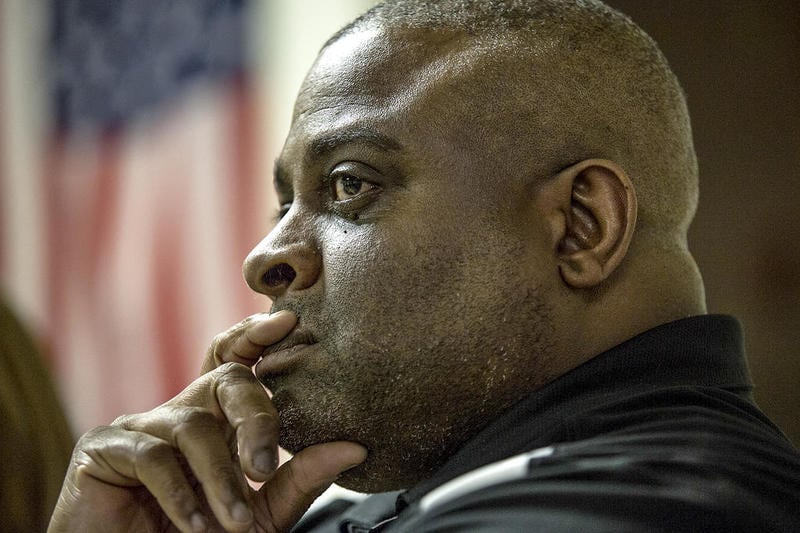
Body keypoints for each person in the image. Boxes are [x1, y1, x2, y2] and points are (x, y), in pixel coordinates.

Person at [49, 0, 800, 531]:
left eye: (350, 185)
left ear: (580, 228)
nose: (264, 257)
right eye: (283, 203)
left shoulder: (648, 507)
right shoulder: (437, 482)